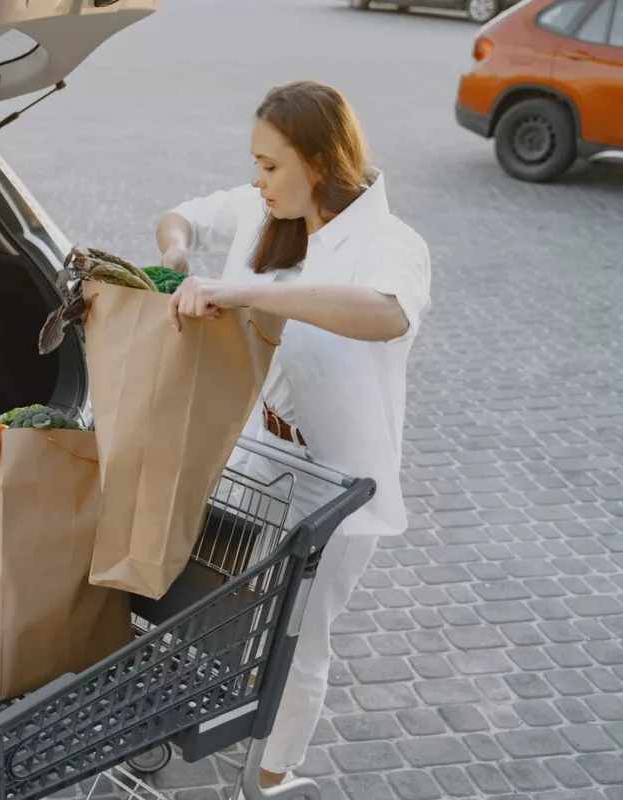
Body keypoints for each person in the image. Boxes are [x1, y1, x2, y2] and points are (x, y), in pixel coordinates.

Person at [157, 80, 431, 797]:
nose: (256, 178)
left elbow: (385, 314)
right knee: (214, 601)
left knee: (299, 638)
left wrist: (247, 292)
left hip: (338, 485)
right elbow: (179, 216)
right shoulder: (261, 209)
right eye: (254, 162)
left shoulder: (391, 244)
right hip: (254, 457)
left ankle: (272, 779)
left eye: (270, 165)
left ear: (318, 161)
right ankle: (213, 712)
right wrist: (181, 258)